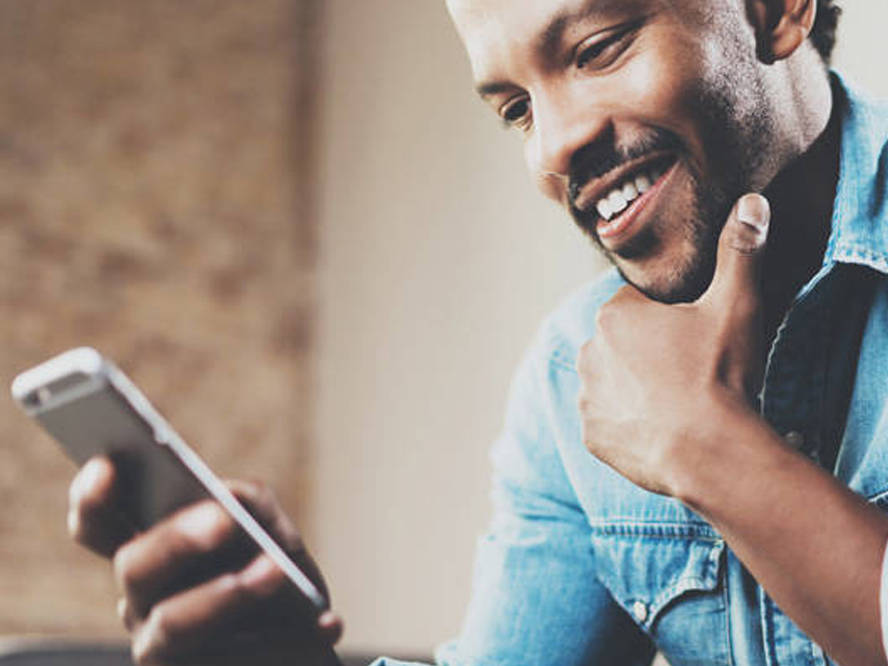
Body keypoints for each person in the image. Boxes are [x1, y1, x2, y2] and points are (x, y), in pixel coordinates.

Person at [67, 0, 888, 664]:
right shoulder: (578, 374)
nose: (555, 151)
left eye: (597, 48)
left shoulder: (646, 404)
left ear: (779, 10)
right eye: (517, 110)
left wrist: (707, 445)